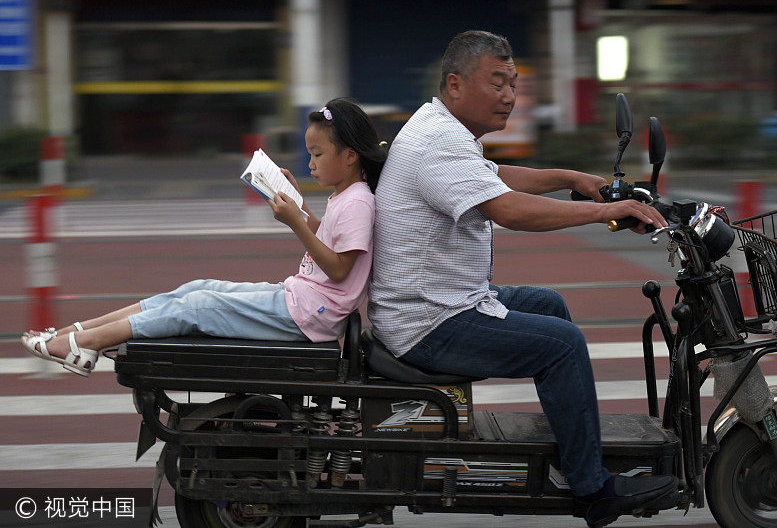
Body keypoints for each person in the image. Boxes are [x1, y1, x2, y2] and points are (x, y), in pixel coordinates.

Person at [367, 30, 677, 528]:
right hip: (428, 322)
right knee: (561, 344)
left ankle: (570, 449)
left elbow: (496, 177)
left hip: (441, 300)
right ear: (454, 84)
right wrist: (607, 214)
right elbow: (509, 209)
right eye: (497, 83)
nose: (510, 96)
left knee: (548, 305)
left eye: (513, 83)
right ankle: (592, 489)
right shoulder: (437, 144)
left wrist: (576, 179)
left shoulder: (442, 129)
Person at [23, 99, 386, 377]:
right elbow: (331, 240)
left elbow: (339, 269)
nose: (311, 163)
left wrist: (296, 223)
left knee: (198, 307)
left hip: (310, 315)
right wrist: (302, 207)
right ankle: (80, 330)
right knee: (195, 288)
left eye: (318, 154)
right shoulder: (347, 195)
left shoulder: (359, 202)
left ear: (351, 156)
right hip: (301, 301)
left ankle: (85, 345)